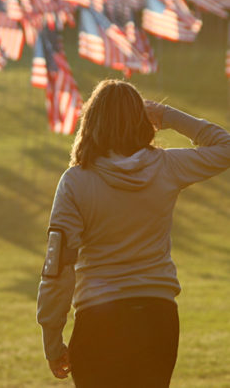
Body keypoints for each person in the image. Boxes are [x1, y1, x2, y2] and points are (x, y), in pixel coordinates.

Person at [36, 79, 230, 388]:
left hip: (99, 320)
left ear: (90, 121)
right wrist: (167, 115)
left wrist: (52, 339)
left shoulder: (75, 182)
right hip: (158, 318)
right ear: (142, 120)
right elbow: (224, 146)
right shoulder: (166, 166)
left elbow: (58, 269)